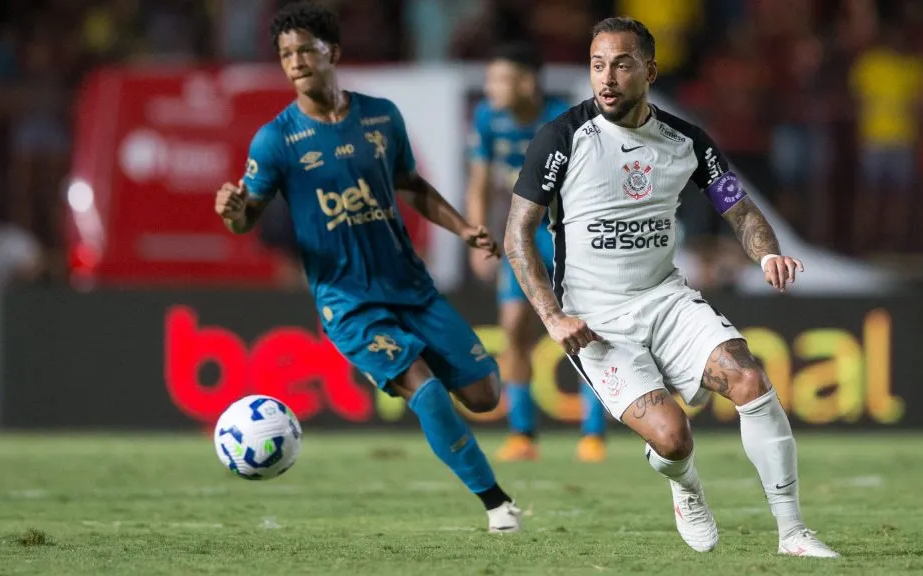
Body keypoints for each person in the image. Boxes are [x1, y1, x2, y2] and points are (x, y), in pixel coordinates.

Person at [503, 17, 839, 557]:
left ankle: (793, 532)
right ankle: (685, 489)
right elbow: (517, 234)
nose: (606, 78)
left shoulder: (686, 141)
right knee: (674, 438)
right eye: (596, 65)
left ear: (650, 70)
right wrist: (552, 316)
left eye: (621, 64)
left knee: (749, 380)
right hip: (596, 320)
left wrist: (767, 252)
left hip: (668, 299)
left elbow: (740, 208)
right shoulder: (561, 138)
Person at [214, 1, 520, 532]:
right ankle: (497, 503)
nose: (296, 62)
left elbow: (411, 186)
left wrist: (463, 227)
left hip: (411, 286)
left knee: (484, 393)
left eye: (305, 50)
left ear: (331, 51)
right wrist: (237, 214)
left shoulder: (381, 116)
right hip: (347, 301)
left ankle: (440, 411)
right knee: (423, 387)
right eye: (285, 55)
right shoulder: (276, 140)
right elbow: (249, 218)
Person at [467, 42, 608, 463]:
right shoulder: (487, 118)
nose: (490, 88)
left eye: (500, 79)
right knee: (513, 326)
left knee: (584, 326)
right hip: (521, 236)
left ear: (527, 82)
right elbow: (479, 182)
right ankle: (523, 433)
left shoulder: (568, 118)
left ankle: (594, 434)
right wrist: (477, 236)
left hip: (567, 235)